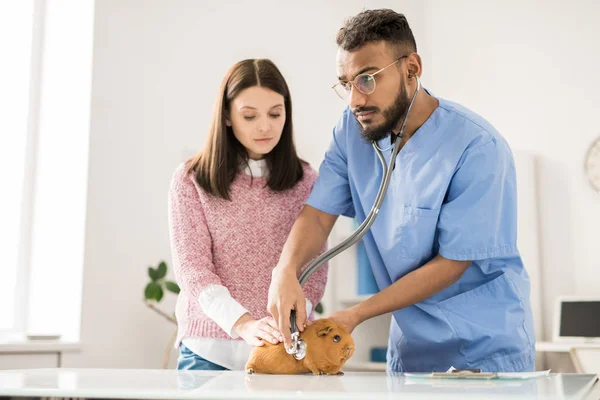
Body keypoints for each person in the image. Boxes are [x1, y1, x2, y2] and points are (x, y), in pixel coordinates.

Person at [267, 9, 535, 373]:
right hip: (410, 352)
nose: (354, 101)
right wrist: (284, 272)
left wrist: (357, 314)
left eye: (366, 79)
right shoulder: (352, 131)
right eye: (346, 84)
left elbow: (452, 264)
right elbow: (317, 215)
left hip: (483, 350)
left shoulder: (477, 147)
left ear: (411, 68)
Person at [168, 58, 327, 370]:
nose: (265, 126)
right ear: (227, 116)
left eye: (275, 114)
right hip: (208, 353)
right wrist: (243, 325)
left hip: (283, 351)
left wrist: (283, 326)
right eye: (250, 116)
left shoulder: (307, 180)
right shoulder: (191, 179)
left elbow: (314, 270)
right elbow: (194, 271)